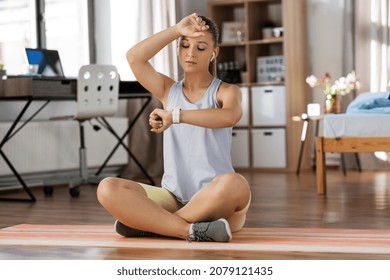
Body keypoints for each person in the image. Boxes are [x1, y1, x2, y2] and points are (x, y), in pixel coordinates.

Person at [97, 13, 251, 242]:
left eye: (201, 47)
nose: (190, 53)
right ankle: (187, 230)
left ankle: (154, 225)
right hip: (172, 198)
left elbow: (229, 117)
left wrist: (176, 116)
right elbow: (134, 58)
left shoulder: (227, 92)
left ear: (214, 53)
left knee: (236, 184)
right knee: (107, 187)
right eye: (185, 45)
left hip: (215, 198)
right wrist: (176, 30)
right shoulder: (168, 90)